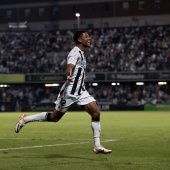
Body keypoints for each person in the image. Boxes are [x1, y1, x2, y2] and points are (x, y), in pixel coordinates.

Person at [15, 30, 112, 154]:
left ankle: (97, 145)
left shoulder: (82, 53)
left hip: (81, 91)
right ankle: (25, 120)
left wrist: (81, 78)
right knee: (55, 118)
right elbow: (69, 66)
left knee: (96, 113)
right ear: (79, 40)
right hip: (70, 91)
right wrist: (68, 74)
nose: (89, 38)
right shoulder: (75, 52)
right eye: (86, 36)